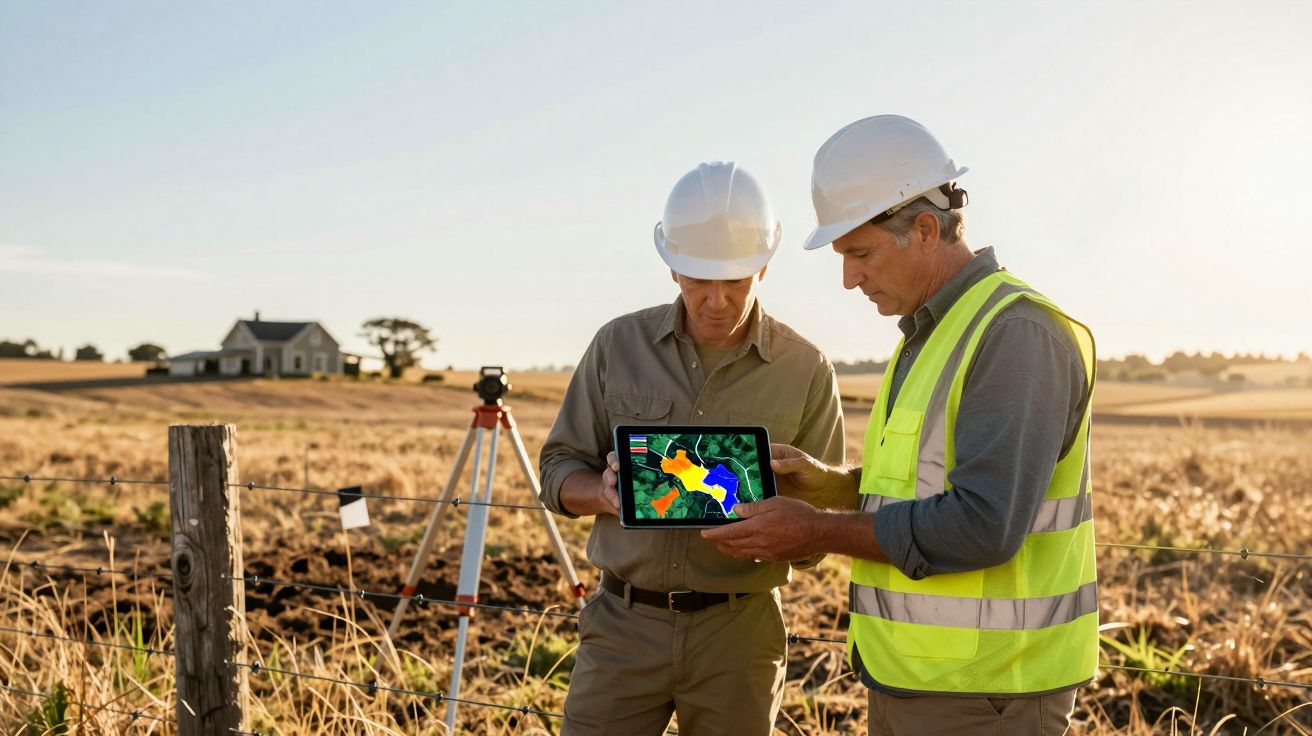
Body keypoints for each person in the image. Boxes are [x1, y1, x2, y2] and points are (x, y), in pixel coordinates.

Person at [703, 116, 1097, 736]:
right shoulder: (931, 332)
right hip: (917, 682)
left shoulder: (1014, 335)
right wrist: (829, 486)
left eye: (860, 253)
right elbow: (920, 484)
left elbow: (982, 525)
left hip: (990, 694)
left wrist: (816, 531)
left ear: (923, 229)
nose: (848, 277)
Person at [539, 161, 845, 735]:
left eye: (734, 281)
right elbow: (557, 470)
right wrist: (603, 495)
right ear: (672, 268)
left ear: (764, 267)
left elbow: (817, 535)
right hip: (622, 630)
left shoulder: (807, 369)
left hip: (740, 636)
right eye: (699, 280)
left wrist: (797, 523)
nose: (716, 301)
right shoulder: (617, 345)